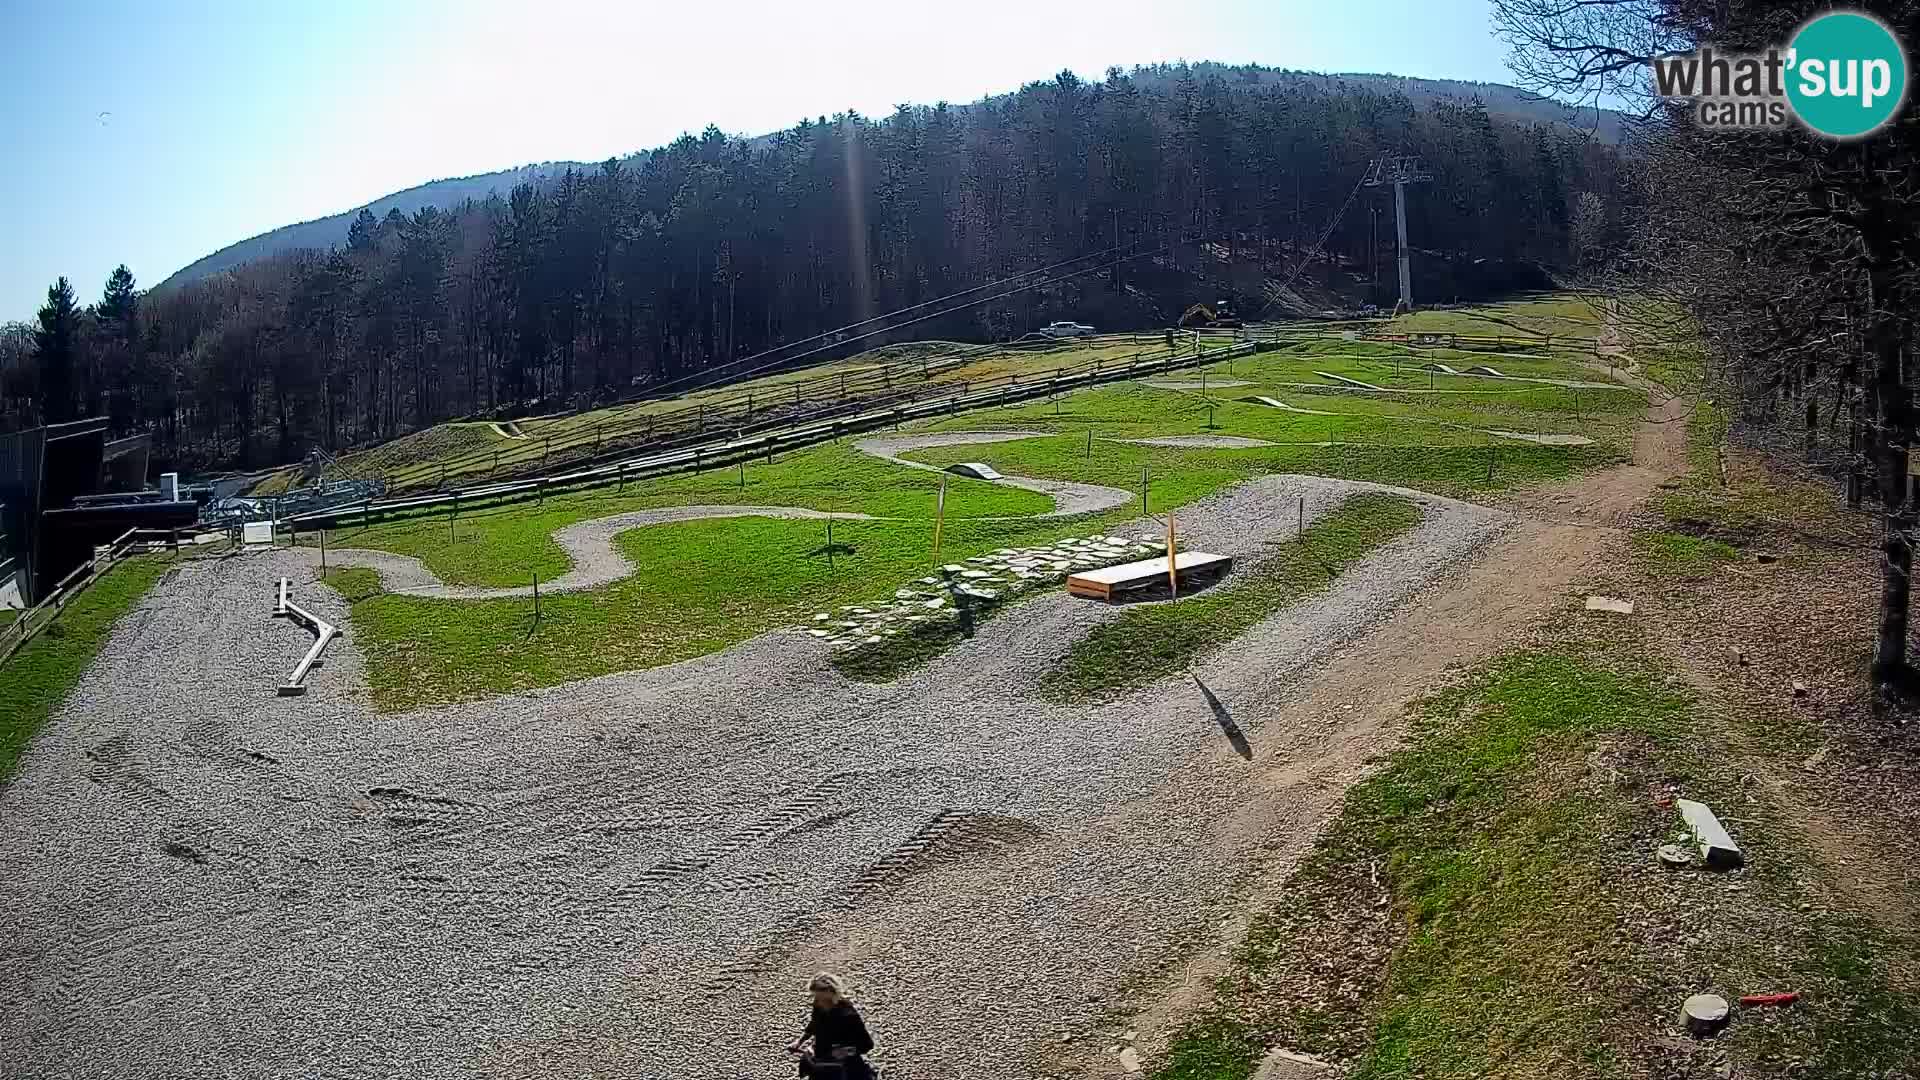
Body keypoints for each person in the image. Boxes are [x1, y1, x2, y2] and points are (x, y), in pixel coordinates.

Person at [785, 972, 876, 1079]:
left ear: (830, 993)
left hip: (843, 1067)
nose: (817, 1002)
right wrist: (799, 1041)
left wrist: (845, 1051)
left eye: (821, 999)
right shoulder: (819, 1006)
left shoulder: (848, 1015)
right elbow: (814, 1024)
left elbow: (867, 1044)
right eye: (815, 998)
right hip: (821, 1060)